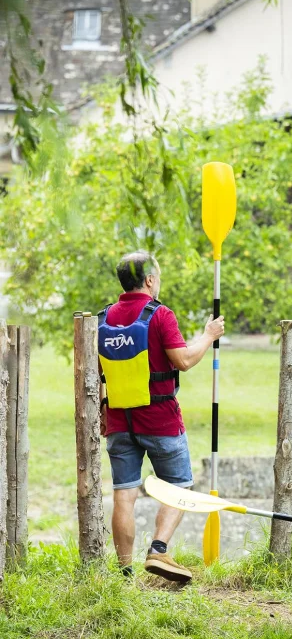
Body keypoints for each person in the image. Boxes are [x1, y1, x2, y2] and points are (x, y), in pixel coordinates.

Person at [98, 250, 224, 584]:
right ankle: (158, 549)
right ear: (150, 280)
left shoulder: (102, 319)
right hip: (161, 421)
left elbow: (96, 376)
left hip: (118, 422)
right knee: (180, 484)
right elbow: (182, 360)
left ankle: (125, 574)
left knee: (124, 494)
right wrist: (209, 335)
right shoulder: (160, 314)